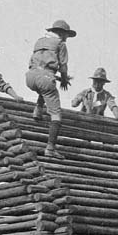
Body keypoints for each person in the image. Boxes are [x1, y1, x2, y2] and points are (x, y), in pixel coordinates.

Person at [26, 19, 76, 160]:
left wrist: (54, 76)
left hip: (30, 77)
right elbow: (63, 66)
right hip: (45, 78)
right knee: (56, 115)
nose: (66, 37)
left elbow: (40, 64)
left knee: (46, 87)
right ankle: (50, 148)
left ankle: (38, 109)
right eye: (66, 34)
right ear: (61, 33)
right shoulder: (61, 44)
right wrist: (64, 78)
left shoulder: (40, 41)